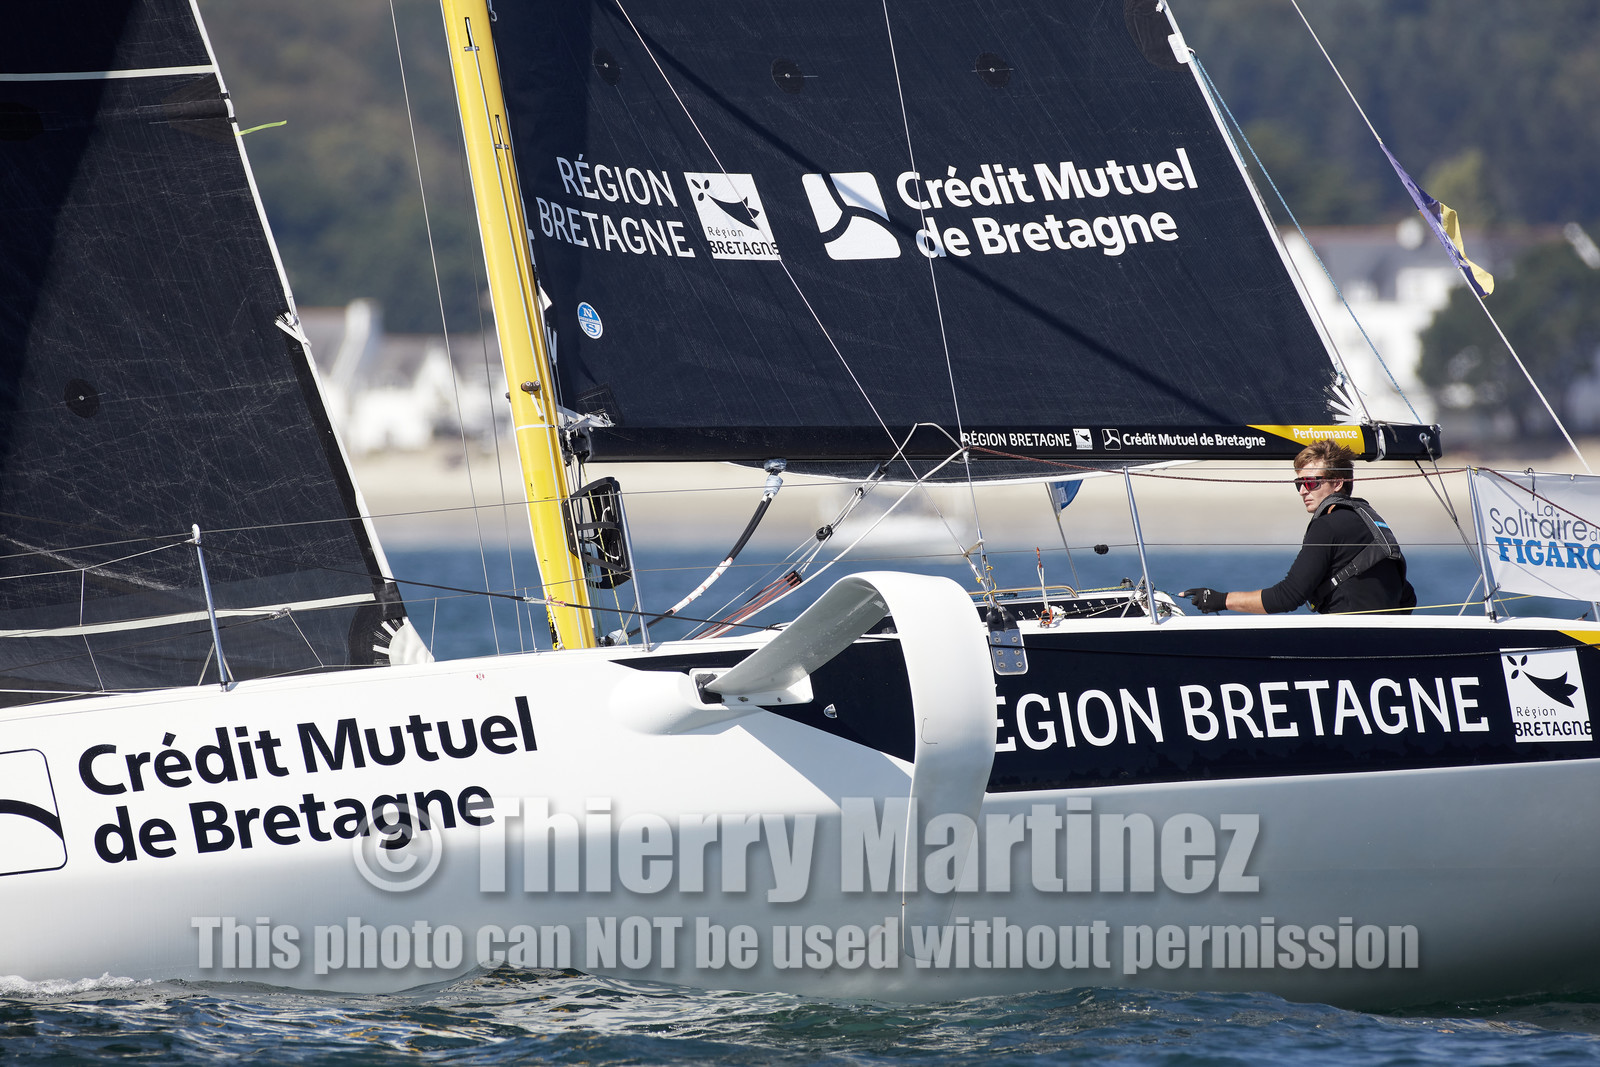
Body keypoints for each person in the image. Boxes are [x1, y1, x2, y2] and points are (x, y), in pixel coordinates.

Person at [1181, 440, 1415, 615]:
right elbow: (1407, 597)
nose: (1303, 490)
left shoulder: (1328, 526)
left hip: (1347, 641)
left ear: (1337, 483)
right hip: (1384, 641)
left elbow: (1288, 596)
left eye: (1311, 482)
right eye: (1299, 483)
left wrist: (1220, 600)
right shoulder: (1369, 520)